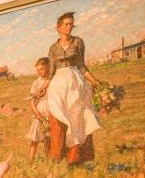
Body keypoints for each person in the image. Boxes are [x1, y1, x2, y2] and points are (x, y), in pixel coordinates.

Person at [42, 12, 101, 165]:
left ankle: (75, 158)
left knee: (77, 118)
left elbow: (81, 65)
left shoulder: (78, 42)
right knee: (58, 118)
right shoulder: (53, 48)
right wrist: (44, 87)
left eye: (71, 24)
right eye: (66, 24)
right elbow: (51, 72)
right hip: (58, 85)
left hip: (75, 82)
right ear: (59, 28)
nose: (69, 27)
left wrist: (94, 80)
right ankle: (57, 155)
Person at [26, 57, 50, 163]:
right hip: (40, 113)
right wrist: (37, 113)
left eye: (42, 69)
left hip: (52, 112)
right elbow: (32, 103)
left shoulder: (52, 80)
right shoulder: (36, 83)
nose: (39, 72)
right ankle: (30, 162)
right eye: (38, 70)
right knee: (34, 140)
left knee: (48, 140)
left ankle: (49, 161)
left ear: (48, 68)